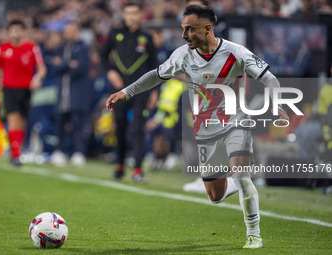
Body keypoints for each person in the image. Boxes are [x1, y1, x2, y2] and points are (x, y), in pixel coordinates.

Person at [106, 5, 290, 248]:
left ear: (207, 28)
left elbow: (268, 77)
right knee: (215, 196)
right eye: (183, 30)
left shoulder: (236, 53)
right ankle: (238, 180)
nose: (184, 35)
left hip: (236, 121)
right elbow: (155, 74)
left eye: (189, 30)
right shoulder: (183, 55)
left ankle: (253, 234)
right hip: (205, 129)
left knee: (242, 175)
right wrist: (126, 92)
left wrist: (277, 102)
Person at [101, 1, 157, 182]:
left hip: (140, 90)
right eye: (128, 13)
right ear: (123, 15)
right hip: (118, 90)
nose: (131, 16)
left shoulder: (147, 37)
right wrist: (110, 71)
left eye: (135, 13)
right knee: (120, 128)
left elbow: (155, 66)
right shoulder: (115, 33)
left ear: (141, 15)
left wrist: (154, 91)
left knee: (138, 129)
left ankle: (138, 170)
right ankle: (120, 166)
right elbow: (102, 55)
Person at [0, 19, 46, 166]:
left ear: (23, 31)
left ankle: (16, 151)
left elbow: (41, 68)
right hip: (9, 89)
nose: (15, 32)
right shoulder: (2, 49)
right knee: (13, 119)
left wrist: (37, 78)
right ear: (9, 32)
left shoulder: (31, 48)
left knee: (22, 122)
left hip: (26, 89)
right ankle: (16, 155)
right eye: (13, 30)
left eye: (18, 29)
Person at [50, 22, 90, 167]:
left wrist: (63, 64)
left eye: (71, 30)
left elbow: (81, 68)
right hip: (62, 94)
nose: (68, 33)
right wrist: (69, 64)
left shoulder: (83, 47)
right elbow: (55, 66)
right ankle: (59, 151)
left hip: (76, 93)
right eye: (66, 31)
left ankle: (79, 152)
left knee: (77, 124)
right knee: (59, 123)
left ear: (77, 31)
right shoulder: (61, 48)